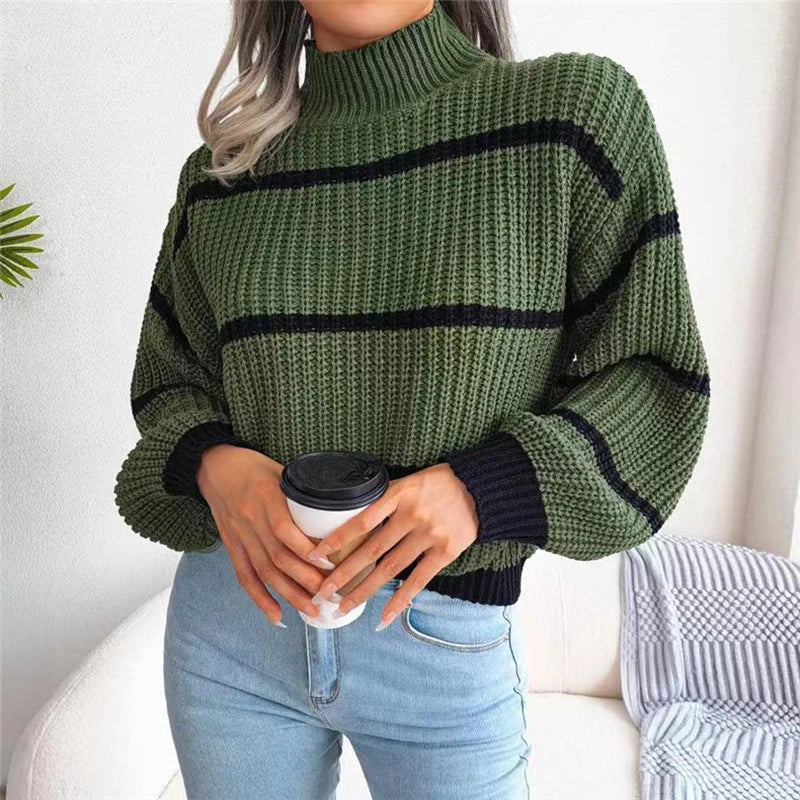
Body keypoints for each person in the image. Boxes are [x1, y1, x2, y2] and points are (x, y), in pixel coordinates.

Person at [113, 1, 711, 797]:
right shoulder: (222, 177)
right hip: (233, 631)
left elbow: (655, 376)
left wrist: (479, 489)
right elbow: (170, 380)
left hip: (439, 640)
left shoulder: (567, 120)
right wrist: (215, 465)